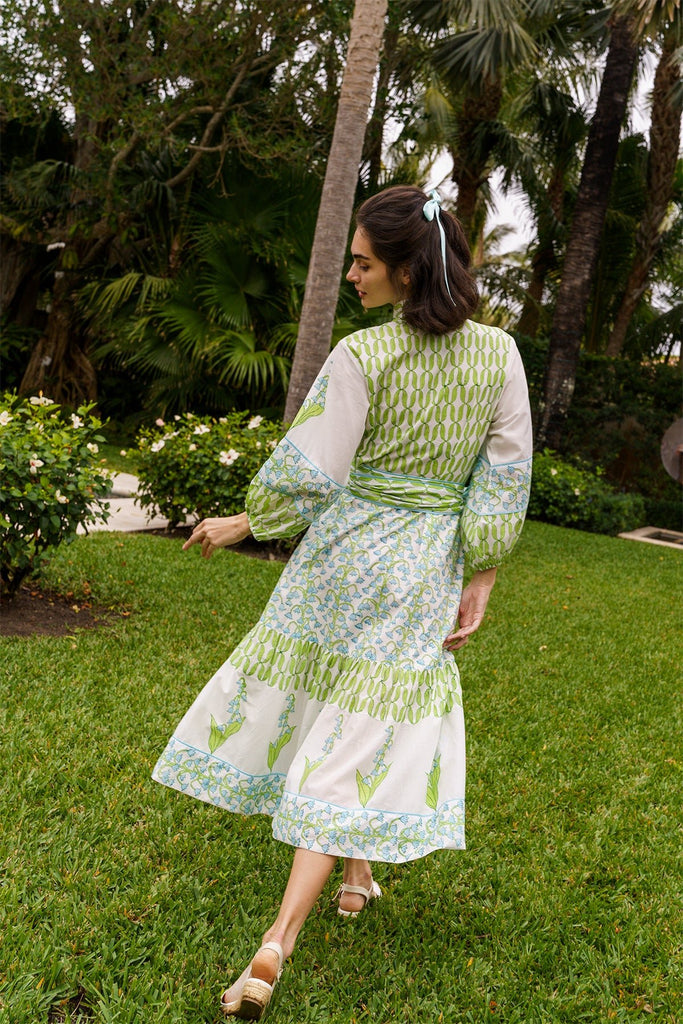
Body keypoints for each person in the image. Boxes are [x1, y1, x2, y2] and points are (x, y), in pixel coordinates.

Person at [152, 185, 533, 1019]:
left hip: (344, 555)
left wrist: (246, 520)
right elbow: (503, 473)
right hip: (422, 565)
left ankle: (281, 937)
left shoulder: (364, 355)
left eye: (362, 264)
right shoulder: (500, 355)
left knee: (337, 710)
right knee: (363, 720)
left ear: (406, 270)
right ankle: (339, 888)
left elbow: (314, 467)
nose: (352, 277)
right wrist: (481, 571)